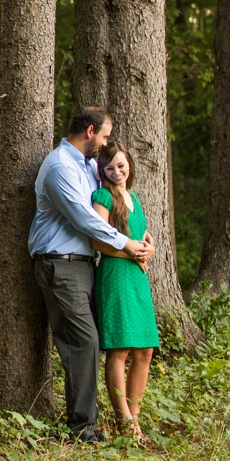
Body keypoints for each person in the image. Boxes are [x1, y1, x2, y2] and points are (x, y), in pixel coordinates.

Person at [30, 107, 155, 441]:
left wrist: (143, 244)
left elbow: (116, 208)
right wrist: (127, 245)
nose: (105, 143)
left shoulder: (88, 167)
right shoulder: (59, 166)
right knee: (84, 342)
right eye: (103, 135)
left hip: (87, 265)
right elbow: (85, 220)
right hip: (60, 263)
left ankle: (115, 421)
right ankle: (84, 429)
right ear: (89, 131)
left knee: (100, 341)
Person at [90, 141, 159, 442]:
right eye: (110, 167)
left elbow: (143, 236)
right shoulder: (102, 196)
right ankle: (123, 422)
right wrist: (133, 254)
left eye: (121, 165)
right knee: (120, 349)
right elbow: (98, 241)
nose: (117, 171)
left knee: (145, 350)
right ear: (102, 172)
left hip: (138, 278)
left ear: (129, 165)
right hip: (116, 275)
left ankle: (136, 418)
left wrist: (149, 250)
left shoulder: (135, 198)